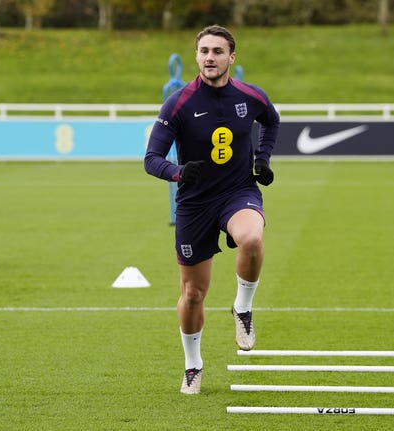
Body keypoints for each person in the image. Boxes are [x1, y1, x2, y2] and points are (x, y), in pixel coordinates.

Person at [144, 25, 280, 394]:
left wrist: (262, 159)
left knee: (252, 238)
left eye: (218, 51)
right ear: (196, 56)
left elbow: (272, 121)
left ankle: (243, 308)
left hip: (238, 192)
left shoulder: (251, 96)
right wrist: (177, 172)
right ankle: (193, 365)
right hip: (194, 204)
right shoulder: (179, 103)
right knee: (192, 294)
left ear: (231, 58)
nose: (209, 57)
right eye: (203, 51)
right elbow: (151, 159)